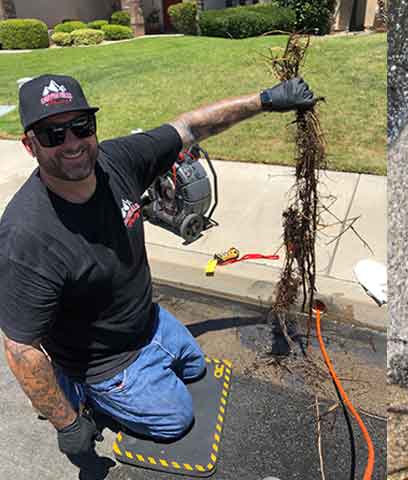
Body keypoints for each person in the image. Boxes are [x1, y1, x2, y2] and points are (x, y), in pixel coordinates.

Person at [0, 74, 316, 459]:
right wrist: (67, 423)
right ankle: (80, 389)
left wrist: (266, 100)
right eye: (53, 134)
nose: (72, 144)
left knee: (196, 368)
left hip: (147, 322)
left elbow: (189, 127)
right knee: (176, 419)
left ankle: (130, 370)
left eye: (81, 127)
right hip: (104, 362)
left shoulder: (117, 161)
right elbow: (19, 347)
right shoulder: (26, 235)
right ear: (30, 145)